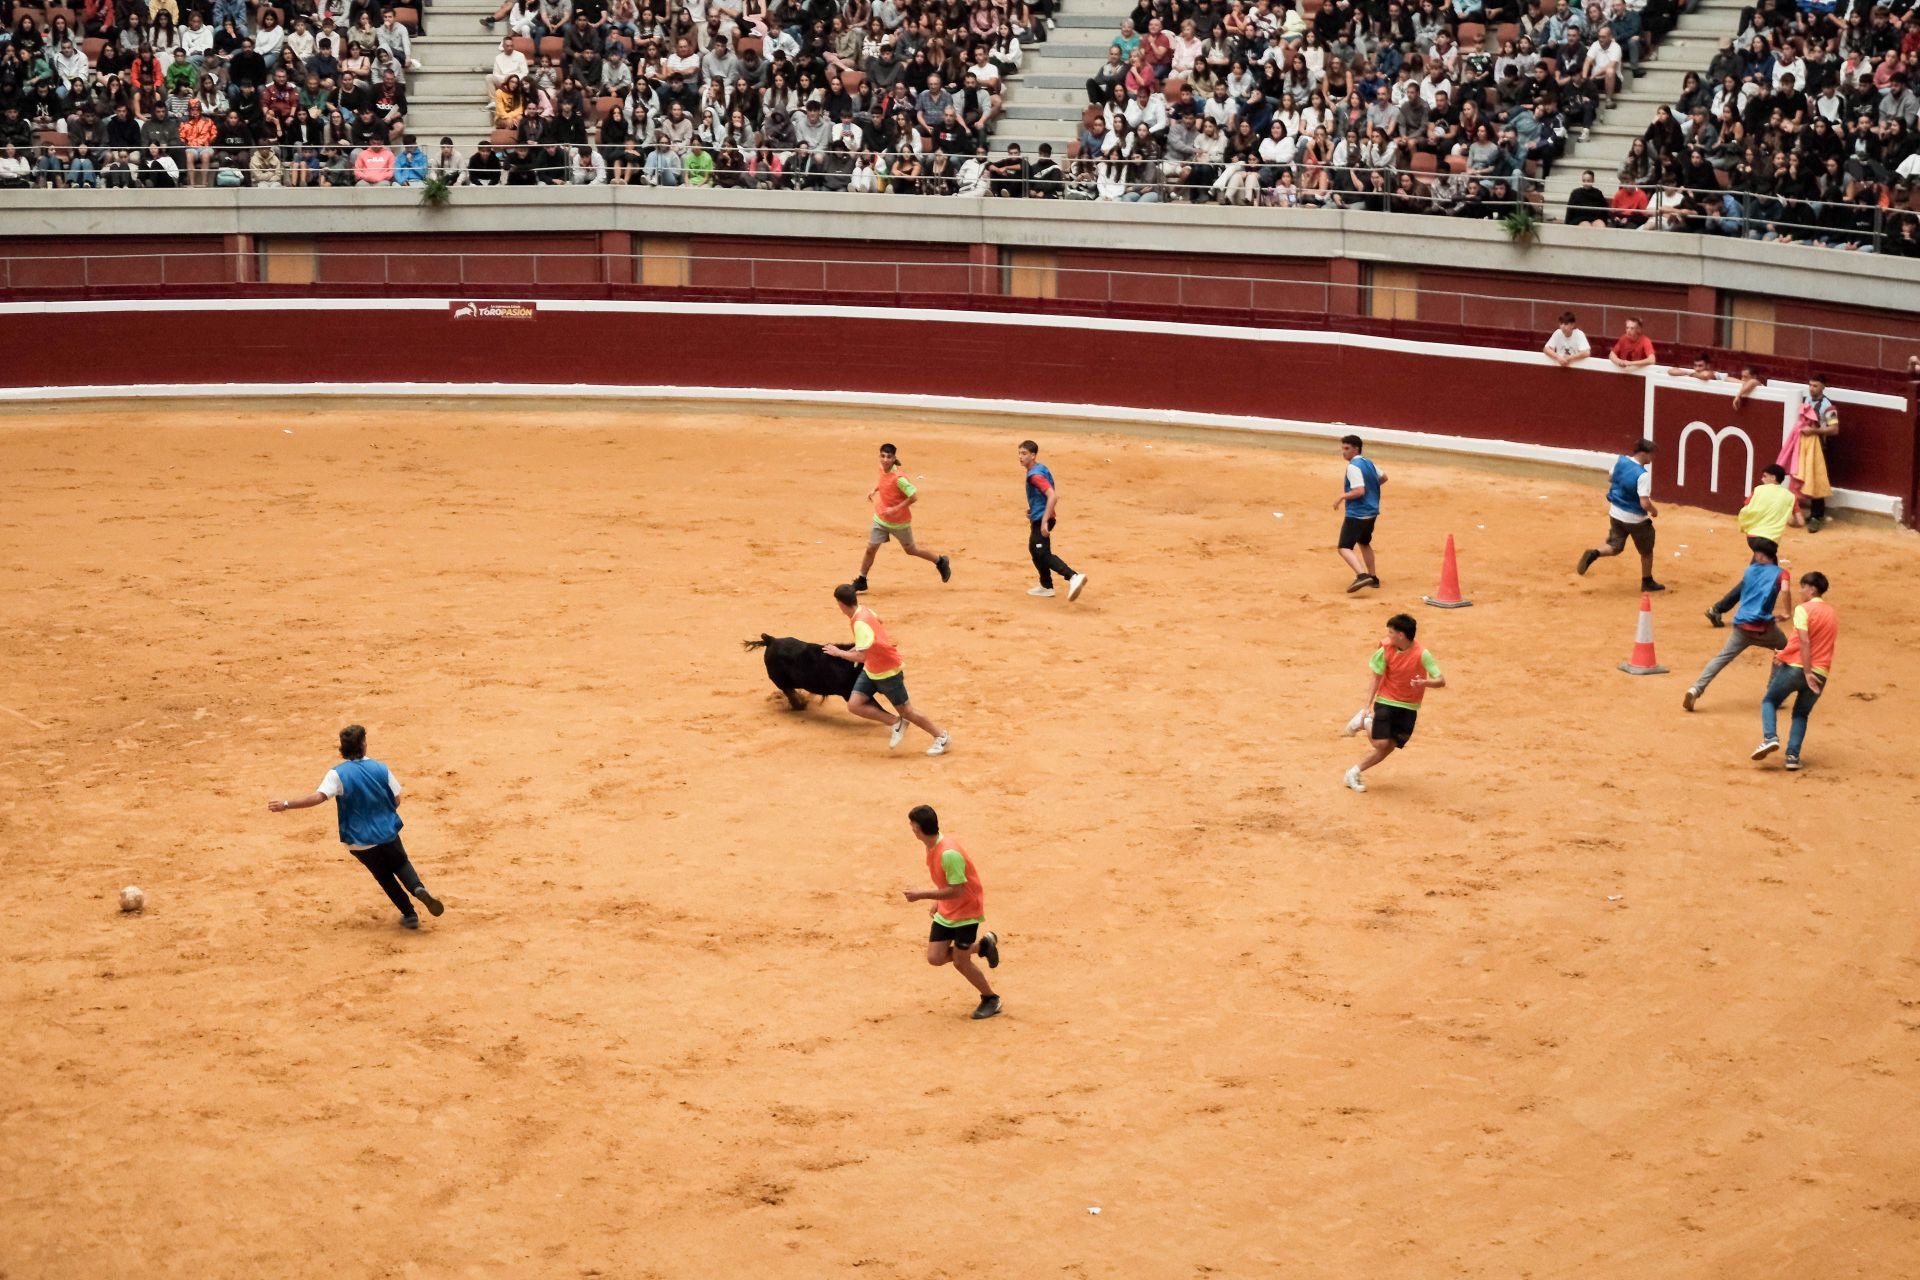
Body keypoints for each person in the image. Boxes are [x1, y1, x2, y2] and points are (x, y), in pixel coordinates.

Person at [266, 724, 446, 930]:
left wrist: (286, 804)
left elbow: (318, 798)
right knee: (401, 863)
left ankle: (410, 915)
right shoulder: (380, 768)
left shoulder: (337, 774)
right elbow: (396, 800)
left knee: (384, 876)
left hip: (360, 842)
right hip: (387, 832)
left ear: (343, 748)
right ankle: (417, 888)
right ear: (363, 745)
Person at [822, 583, 951, 755]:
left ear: (840, 604)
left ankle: (941, 737)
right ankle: (895, 723)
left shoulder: (860, 624)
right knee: (854, 704)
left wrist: (839, 653)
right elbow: (878, 623)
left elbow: (861, 656)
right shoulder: (864, 611)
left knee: (907, 711)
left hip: (888, 672)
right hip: (872, 669)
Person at [901, 803, 1001, 1020]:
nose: (910, 827)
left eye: (912, 825)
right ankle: (984, 946)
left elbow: (957, 890)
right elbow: (947, 882)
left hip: (966, 912)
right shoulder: (931, 845)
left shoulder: (949, 854)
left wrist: (923, 895)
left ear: (918, 830)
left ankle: (990, 998)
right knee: (935, 958)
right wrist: (939, 900)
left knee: (960, 962)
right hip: (949, 910)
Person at [1342, 612, 1446, 793]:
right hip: (1386, 700)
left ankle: (1353, 772)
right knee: (1381, 743)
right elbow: (1376, 678)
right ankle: (1364, 720)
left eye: (1390, 632)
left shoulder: (1423, 654)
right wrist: (1367, 706)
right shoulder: (1385, 649)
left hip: (1409, 706)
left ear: (1401, 635)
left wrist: (1425, 682)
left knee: (1389, 747)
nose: (1387, 635)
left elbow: (1441, 680)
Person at [1684, 538, 1787, 711]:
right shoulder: (1780, 574)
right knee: (1784, 648)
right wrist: (1787, 612)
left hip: (1741, 626)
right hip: (1764, 628)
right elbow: (1784, 590)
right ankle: (1772, 694)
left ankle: (1696, 688)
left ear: (1761, 557)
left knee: (1721, 658)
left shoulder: (1749, 572)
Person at [1752, 572, 1836, 771]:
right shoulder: (1831, 613)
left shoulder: (1803, 609)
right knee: (1801, 714)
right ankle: (1792, 756)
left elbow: (1803, 641)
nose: (1801, 591)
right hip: (1821, 673)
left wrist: (1798, 666)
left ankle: (1770, 737)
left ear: (1812, 589)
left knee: (1769, 701)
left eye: (1803, 587)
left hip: (1798, 668)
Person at [851, 442, 950, 593]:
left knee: (911, 550)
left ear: (894, 458)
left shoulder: (900, 478)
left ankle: (940, 561)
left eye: (889, 457)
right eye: (883, 456)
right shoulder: (882, 469)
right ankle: (862, 579)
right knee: (870, 549)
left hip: (899, 523)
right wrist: (874, 489)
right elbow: (883, 482)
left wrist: (895, 509)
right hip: (881, 518)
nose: (885, 460)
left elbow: (913, 496)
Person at [1705, 464, 1795, 627]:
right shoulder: (1788, 496)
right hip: (1767, 542)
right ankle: (1720, 609)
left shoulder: (1759, 491)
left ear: (1774, 478)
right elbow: (1799, 521)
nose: (1762, 479)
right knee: (1765, 578)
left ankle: (1727, 609)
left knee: (1764, 576)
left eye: (1765, 476)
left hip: (1753, 537)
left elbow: (1747, 507)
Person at [1576, 438, 1662, 592]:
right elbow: (1644, 503)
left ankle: (1595, 553)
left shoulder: (1620, 462)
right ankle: (1647, 581)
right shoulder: (1642, 475)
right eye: (1651, 454)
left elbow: (1610, 478)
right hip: (1636, 520)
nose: (1653, 458)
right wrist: (1654, 511)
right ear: (1643, 454)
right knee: (1646, 552)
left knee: (1614, 546)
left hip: (1615, 513)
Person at [1019, 439, 1087, 601]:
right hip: (1040, 516)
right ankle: (1046, 586)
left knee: (1042, 553)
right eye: (1019, 453)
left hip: (1043, 520)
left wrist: (1044, 520)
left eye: (1024, 454)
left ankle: (1073, 577)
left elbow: (1052, 496)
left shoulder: (1034, 475)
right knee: (1035, 551)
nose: (1020, 457)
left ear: (1033, 455)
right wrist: (1034, 508)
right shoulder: (1040, 468)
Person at [1779, 376, 1839, 531]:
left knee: (1816, 480)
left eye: (1815, 386)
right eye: (1810, 385)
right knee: (1806, 477)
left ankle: (1817, 516)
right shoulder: (1806, 400)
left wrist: (1814, 430)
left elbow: (1834, 429)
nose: (1812, 388)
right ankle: (1812, 514)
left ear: (1823, 387)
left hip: (1819, 447)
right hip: (1804, 446)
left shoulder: (1828, 406)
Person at [1332, 433, 1384, 592]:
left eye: (1347, 448)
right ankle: (1373, 577)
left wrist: (1342, 496)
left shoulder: (1353, 467)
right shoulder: (1368, 462)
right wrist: (1372, 491)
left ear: (1356, 449)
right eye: (1343, 448)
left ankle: (1362, 575)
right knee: (1364, 542)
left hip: (1357, 513)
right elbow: (1383, 477)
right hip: (1372, 512)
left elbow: (1359, 491)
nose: (1344, 452)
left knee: (1344, 547)